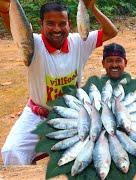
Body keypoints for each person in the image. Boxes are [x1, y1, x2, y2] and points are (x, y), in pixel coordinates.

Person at [0, 1, 118, 165]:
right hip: (37, 114)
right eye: (50, 23)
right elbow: (17, 29)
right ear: (41, 24)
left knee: (97, 151)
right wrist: (6, 11)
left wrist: (92, 8)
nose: (57, 29)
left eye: (62, 24)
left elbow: (111, 31)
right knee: (12, 152)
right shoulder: (32, 44)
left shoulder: (80, 42)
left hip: (73, 114)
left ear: (69, 24)